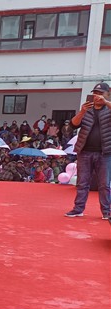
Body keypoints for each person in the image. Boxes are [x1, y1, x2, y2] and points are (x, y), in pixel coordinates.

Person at [65, 82, 111, 219]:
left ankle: (107, 212)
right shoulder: (87, 110)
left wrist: (106, 102)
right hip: (84, 152)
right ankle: (78, 209)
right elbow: (72, 126)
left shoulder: (109, 109)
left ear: (108, 94)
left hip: (105, 153)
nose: (97, 96)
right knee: (82, 183)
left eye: (101, 93)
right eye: (95, 93)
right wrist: (82, 112)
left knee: (104, 184)